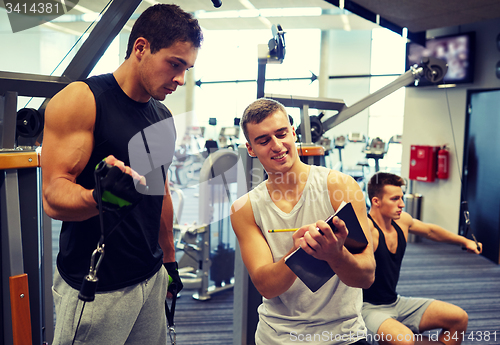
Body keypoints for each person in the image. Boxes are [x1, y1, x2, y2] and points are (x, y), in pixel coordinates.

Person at [41, 4, 203, 344]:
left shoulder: (162, 116)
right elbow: (53, 196)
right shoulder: (82, 100)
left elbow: (162, 192)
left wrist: (169, 261)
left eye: (186, 68)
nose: (180, 79)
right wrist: (97, 198)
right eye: (174, 64)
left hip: (150, 276)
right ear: (140, 48)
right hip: (98, 285)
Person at [230, 98, 376, 345]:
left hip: (343, 335)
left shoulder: (338, 187)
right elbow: (266, 286)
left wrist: (335, 254)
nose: (277, 146)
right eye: (264, 140)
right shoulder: (244, 209)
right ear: (251, 149)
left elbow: (366, 277)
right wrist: (297, 253)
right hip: (279, 337)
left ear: (293, 133)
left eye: (281, 134)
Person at [363, 172, 482, 345]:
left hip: (395, 302)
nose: (402, 204)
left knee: (459, 318)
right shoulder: (366, 229)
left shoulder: (401, 221)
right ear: (376, 201)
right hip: (367, 309)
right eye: (395, 199)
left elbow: (430, 231)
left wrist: (465, 241)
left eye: (401, 198)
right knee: (405, 341)